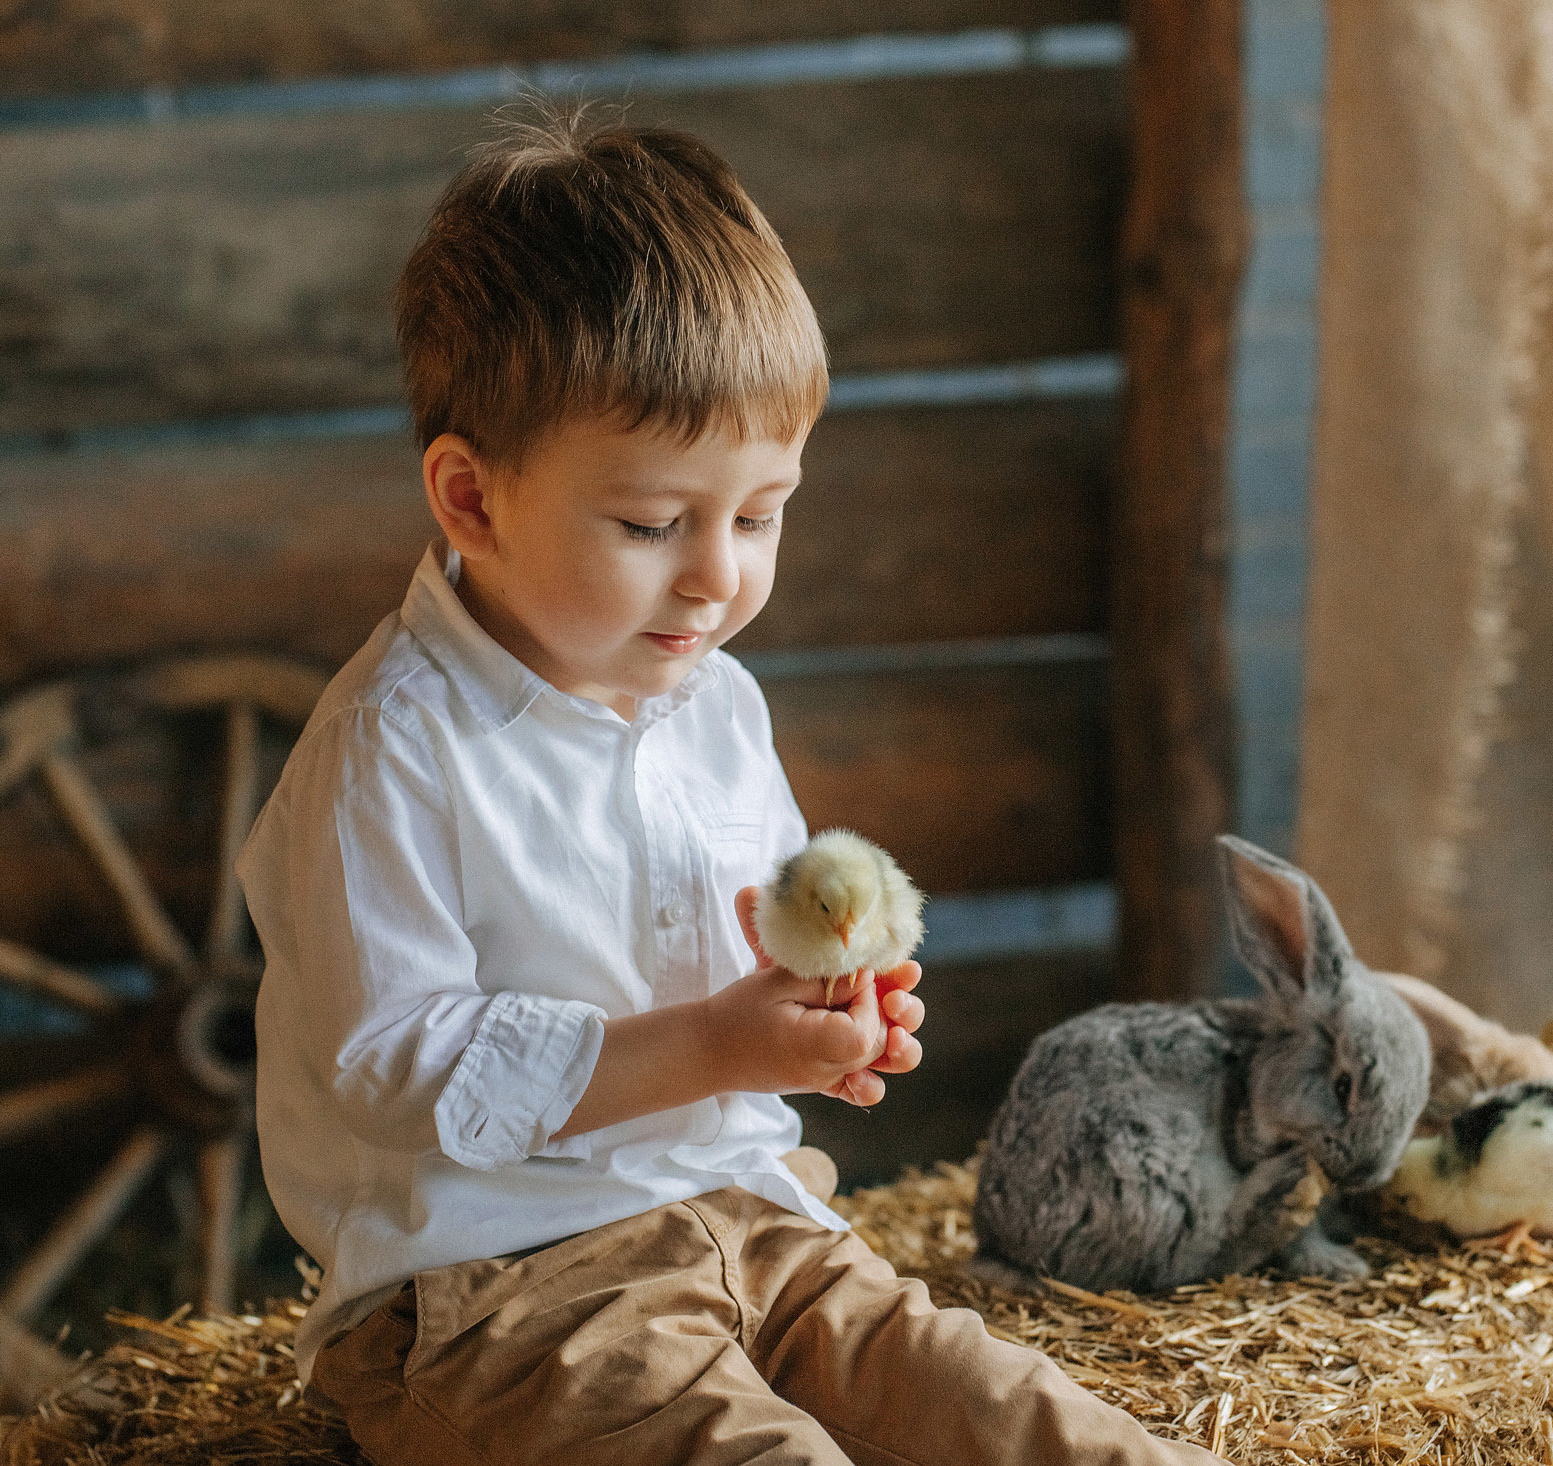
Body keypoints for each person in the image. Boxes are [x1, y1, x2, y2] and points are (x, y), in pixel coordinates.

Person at [236, 104, 1226, 1466]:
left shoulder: (716, 704)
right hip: (493, 1292)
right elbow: (394, 1065)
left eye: (760, 515)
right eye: (654, 523)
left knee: (1026, 1421)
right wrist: (717, 1045)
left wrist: (824, 1006)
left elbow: (754, 939)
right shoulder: (393, 747)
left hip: (753, 1220)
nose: (718, 575)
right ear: (470, 500)